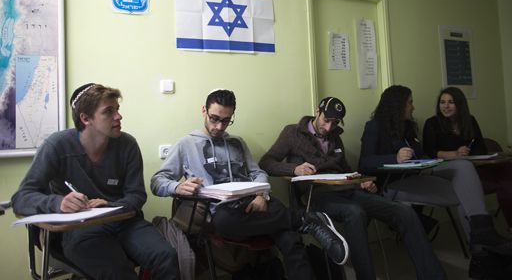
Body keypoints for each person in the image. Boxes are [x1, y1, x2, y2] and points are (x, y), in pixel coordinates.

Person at [151, 89, 348, 280]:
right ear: (204, 111)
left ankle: (302, 224)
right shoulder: (186, 144)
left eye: (226, 120)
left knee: (289, 238)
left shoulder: (238, 143)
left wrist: (261, 195)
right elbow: (157, 181)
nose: (220, 127)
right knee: (226, 223)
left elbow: (258, 173)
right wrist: (176, 187)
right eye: (214, 119)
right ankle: (305, 220)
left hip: (257, 204)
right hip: (223, 212)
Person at [259, 96, 446, 280]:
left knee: (404, 212)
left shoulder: (335, 137)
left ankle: (434, 276)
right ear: (317, 111)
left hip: (348, 190)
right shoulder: (293, 133)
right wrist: (294, 169)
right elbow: (266, 162)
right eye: (326, 120)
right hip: (315, 196)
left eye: (335, 123)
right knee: (355, 213)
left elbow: (345, 170)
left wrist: (361, 181)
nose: (329, 127)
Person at [11, 83, 179, 280]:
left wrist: (112, 205)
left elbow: (137, 194)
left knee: (166, 257)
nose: (119, 116)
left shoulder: (128, 145)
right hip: (82, 229)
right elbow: (21, 198)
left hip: (124, 222)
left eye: (117, 109)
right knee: (117, 271)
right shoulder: (56, 146)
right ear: (85, 118)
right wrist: (58, 203)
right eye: (109, 111)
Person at [358, 85, 512, 278]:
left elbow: (421, 154)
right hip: (391, 185)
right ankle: (483, 253)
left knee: (464, 168)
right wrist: (394, 158)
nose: (413, 107)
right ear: (397, 105)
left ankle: (481, 249)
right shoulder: (374, 127)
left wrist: (426, 161)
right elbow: (364, 162)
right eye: (410, 103)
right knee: (468, 196)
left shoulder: (408, 126)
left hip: (416, 177)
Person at [423, 86, 512, 231]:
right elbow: (430, 151)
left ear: (460, 104)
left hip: (474, 164)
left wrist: (468, 153)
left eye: (451, 102)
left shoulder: (470, 120)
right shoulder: (432, 123)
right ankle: (483, 231)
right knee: (500, 179)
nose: (445, 106)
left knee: (507, 170)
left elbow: (480, 148)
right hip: (449, 170)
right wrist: (455, 153)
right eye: (442, 102)